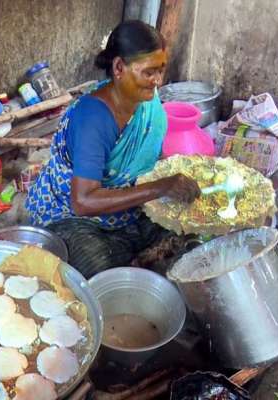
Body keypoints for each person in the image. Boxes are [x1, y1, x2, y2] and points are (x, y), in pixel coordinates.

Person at [25, 20, 200, 277]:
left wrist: (171, 182)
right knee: (95, 269)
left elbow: (146, 161)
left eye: (161, 70)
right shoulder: (93, 118)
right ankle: (134, 262)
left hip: (125, 209)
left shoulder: (147, 106)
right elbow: (83, 201)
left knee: (191, 225)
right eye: (149, 72)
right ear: (119, 67)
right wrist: (161, 187)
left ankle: (136, 259)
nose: (158, 81)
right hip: (74, 216)